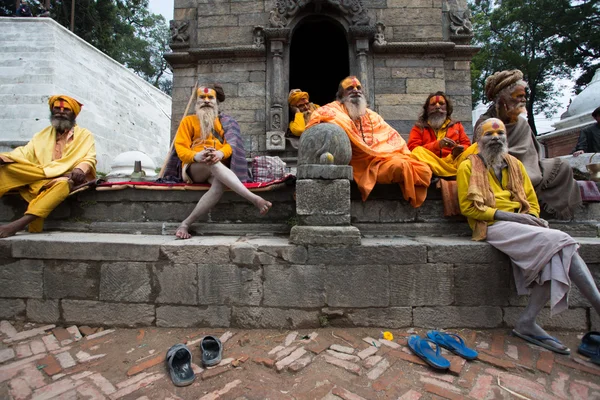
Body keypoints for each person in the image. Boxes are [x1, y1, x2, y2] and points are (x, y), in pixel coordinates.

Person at [458, 118, 600, 354]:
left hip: (524, 225)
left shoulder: (515, 165)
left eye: (500, 134)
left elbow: (531, 203)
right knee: (562, 241)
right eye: (489, 134)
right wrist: (516, 218)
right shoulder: (468, 166)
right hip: (491, 225)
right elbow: (470, 209)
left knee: (556, 255)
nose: (495, 138)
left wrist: (531, 218)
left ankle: (526, 323)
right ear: (477, 139)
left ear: (506, 138)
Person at [306, 76, 432, 207]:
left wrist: (395, 155)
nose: (356, 91)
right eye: (350, 88)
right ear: (341, 94)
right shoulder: (333, 110)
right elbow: (318, 117)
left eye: (358, 88)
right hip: (359, 165)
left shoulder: (373, 116)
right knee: (401, 167)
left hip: (383, 161)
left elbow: (392, 138)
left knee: (424, 170)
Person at [475, 69, 581, 219]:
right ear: (503, 100)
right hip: (496, 170)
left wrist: (518, 165)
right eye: (518, 96)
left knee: (562, 166)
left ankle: (546, 210)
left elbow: (529, 154)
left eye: (524, 96)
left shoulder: (522, 124)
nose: (523, 100)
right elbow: (478, 152)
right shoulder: (484, 122)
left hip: (527, 167)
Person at [171, 84, 272, 239]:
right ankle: (254, 198)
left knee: (219, 185)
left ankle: (185, 223)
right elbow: (181, 149)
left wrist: (219, 152)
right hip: (195, 167)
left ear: (216, 101)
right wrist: (197, 156)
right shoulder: (188, 121)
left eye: (210, 97)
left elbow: (232, 145)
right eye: (202, 98)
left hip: (219, 165)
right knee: (210, 162)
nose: (206, 100)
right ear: (196, 102)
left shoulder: (227, 122)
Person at [0, 95, 96, 238]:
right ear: (52, 111)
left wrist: (80, 169)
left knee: (64, 185)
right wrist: (4, 157)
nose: (61, 112)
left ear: (74, 114)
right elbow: (24, 153)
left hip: (63, 178)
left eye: (66, 110)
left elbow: (90, 157)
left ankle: (18, 224)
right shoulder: (41, 135)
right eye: (57, 108)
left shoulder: (84, 135)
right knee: (6, 168)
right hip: (38, 176)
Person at [408, 91, 474, 177]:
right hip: (430, 164)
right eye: (433, 104)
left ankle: (446, 172)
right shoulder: (419, 127)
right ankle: (445, 173)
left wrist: (458, 150)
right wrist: (437, 145)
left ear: (447, 108)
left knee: (475, 147)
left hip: (453, 162)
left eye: (441, 103)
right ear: (427, 109)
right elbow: (412, 149)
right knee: (417, 151)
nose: (437, 106)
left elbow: (467, 145)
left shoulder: (457, 126)